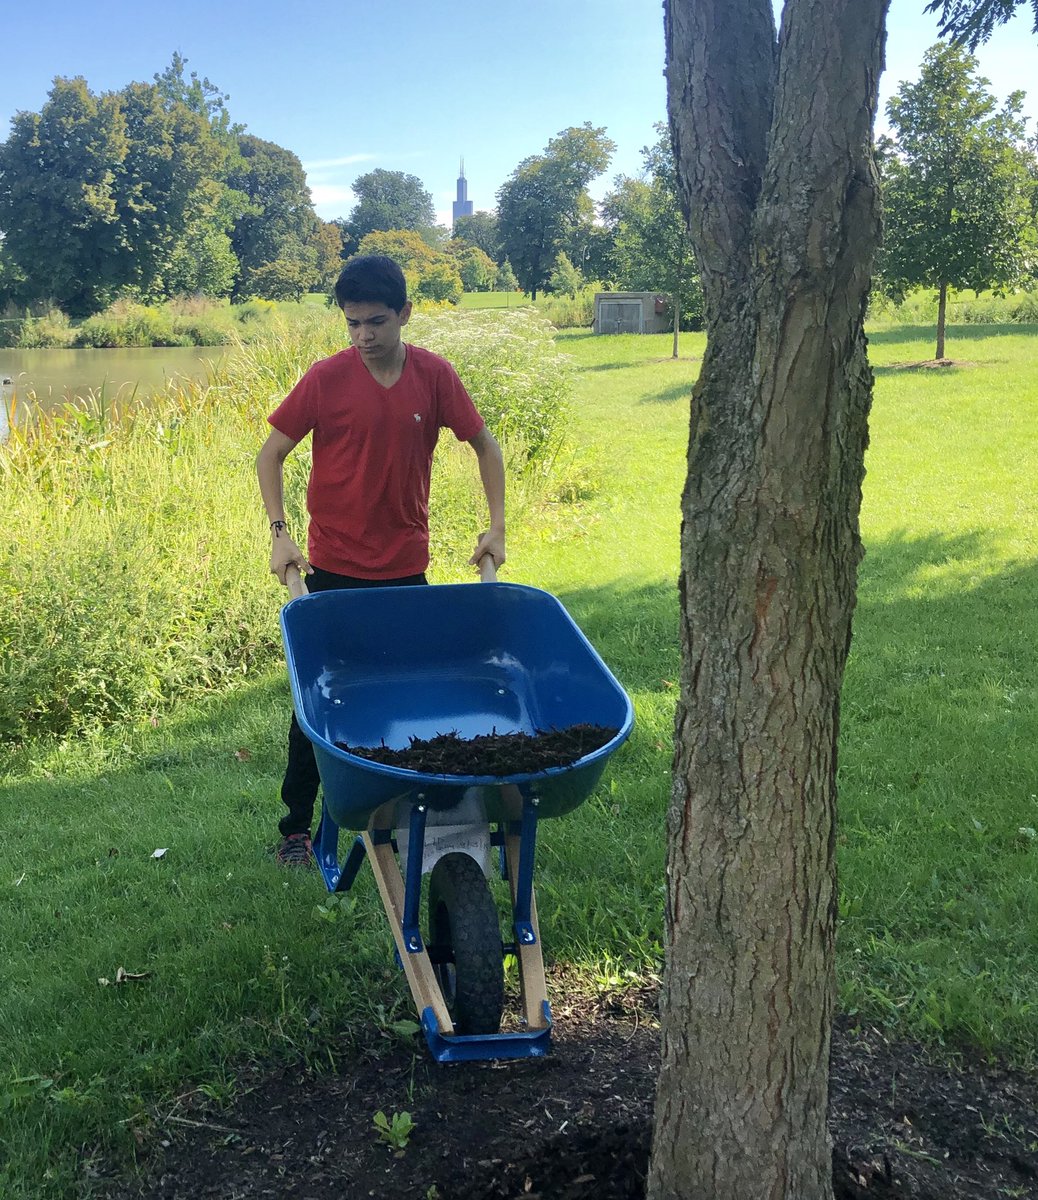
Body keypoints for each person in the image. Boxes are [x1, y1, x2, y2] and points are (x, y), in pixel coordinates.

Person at [256, 254, 506, 866]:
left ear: (404, 314)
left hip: (404, 569)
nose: (363, 336)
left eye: (375, 322)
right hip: (333, 568)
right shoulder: (326, 379)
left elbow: (484, 446)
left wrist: (496, 526)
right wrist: (280, 533)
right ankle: (296, 828)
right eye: (351, 324)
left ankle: (401, 804)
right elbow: (270, 455)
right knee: (314, 704)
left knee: (404, 694)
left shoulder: (434, 376)